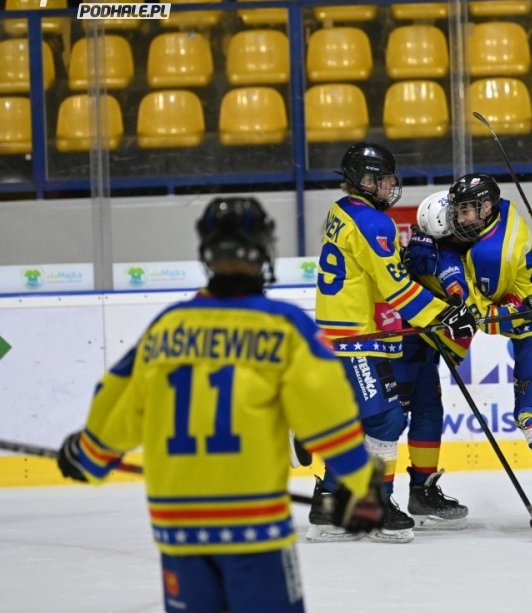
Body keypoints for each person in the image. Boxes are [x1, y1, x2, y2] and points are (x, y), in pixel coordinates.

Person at [56, 196, 389, 613]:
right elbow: (328, 419)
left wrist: (89, 454)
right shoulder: (285, 327)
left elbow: (116, 406)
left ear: (207, 253)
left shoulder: (167, 328)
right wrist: (360, 485)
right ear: (264, 251)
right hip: (253, 528)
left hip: (179, 530)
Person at [312, 143, 477, 544]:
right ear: (365, 181)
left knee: (363, 420)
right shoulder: (375, 223)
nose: (391, 186)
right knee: (386, 418)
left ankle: (330, 503)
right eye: (384, 180)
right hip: (356, 337)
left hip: (343, 332)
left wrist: (401, 258)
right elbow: (399, 292)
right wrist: (445, 314)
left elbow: (368, 268)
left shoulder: (341, 210)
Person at [447, 173, 532, 539]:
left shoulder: (488, 254)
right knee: (529, 412)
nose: (460, 219)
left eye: (466, 211)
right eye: (458, 211)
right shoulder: (507, 211)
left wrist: (481, 312)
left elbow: (490, 321)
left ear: (486, 207)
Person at [397, 190, 476, 529]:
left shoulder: (420, 246)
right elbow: (457, 289)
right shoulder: (445, 257)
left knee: (428, 411)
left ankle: (422, 491)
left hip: (421, 344)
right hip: (404, 345)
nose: (466, 221)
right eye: (458, 217)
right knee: (386, 421)